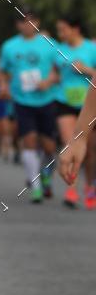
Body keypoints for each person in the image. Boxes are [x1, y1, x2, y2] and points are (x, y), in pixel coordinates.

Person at [0, 10, 58, 203]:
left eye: (31, 20)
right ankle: (36, 186)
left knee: (49, 146)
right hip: (22, 100)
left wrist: (48, 81)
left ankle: (46, 173)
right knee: (29, 140)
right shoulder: (9, 46)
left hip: (46, 100)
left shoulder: (49, 44)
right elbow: (2, 71)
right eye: (23, 21)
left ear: (37, 22)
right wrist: (3, 86)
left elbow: (59, 71)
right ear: (18, 25)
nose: (27, 25)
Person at [49, 16, 96, 208]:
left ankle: (90, 186)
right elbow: (54, 73)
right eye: (58, 30)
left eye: (64, 29)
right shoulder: (59, 50)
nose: (61, 34)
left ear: (75, 29)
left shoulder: (92, 48)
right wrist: (48, 81)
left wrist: (86, 69)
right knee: (70, 142)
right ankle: (72, 190)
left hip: (89, 104)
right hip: (65, 101)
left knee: (91, 151)